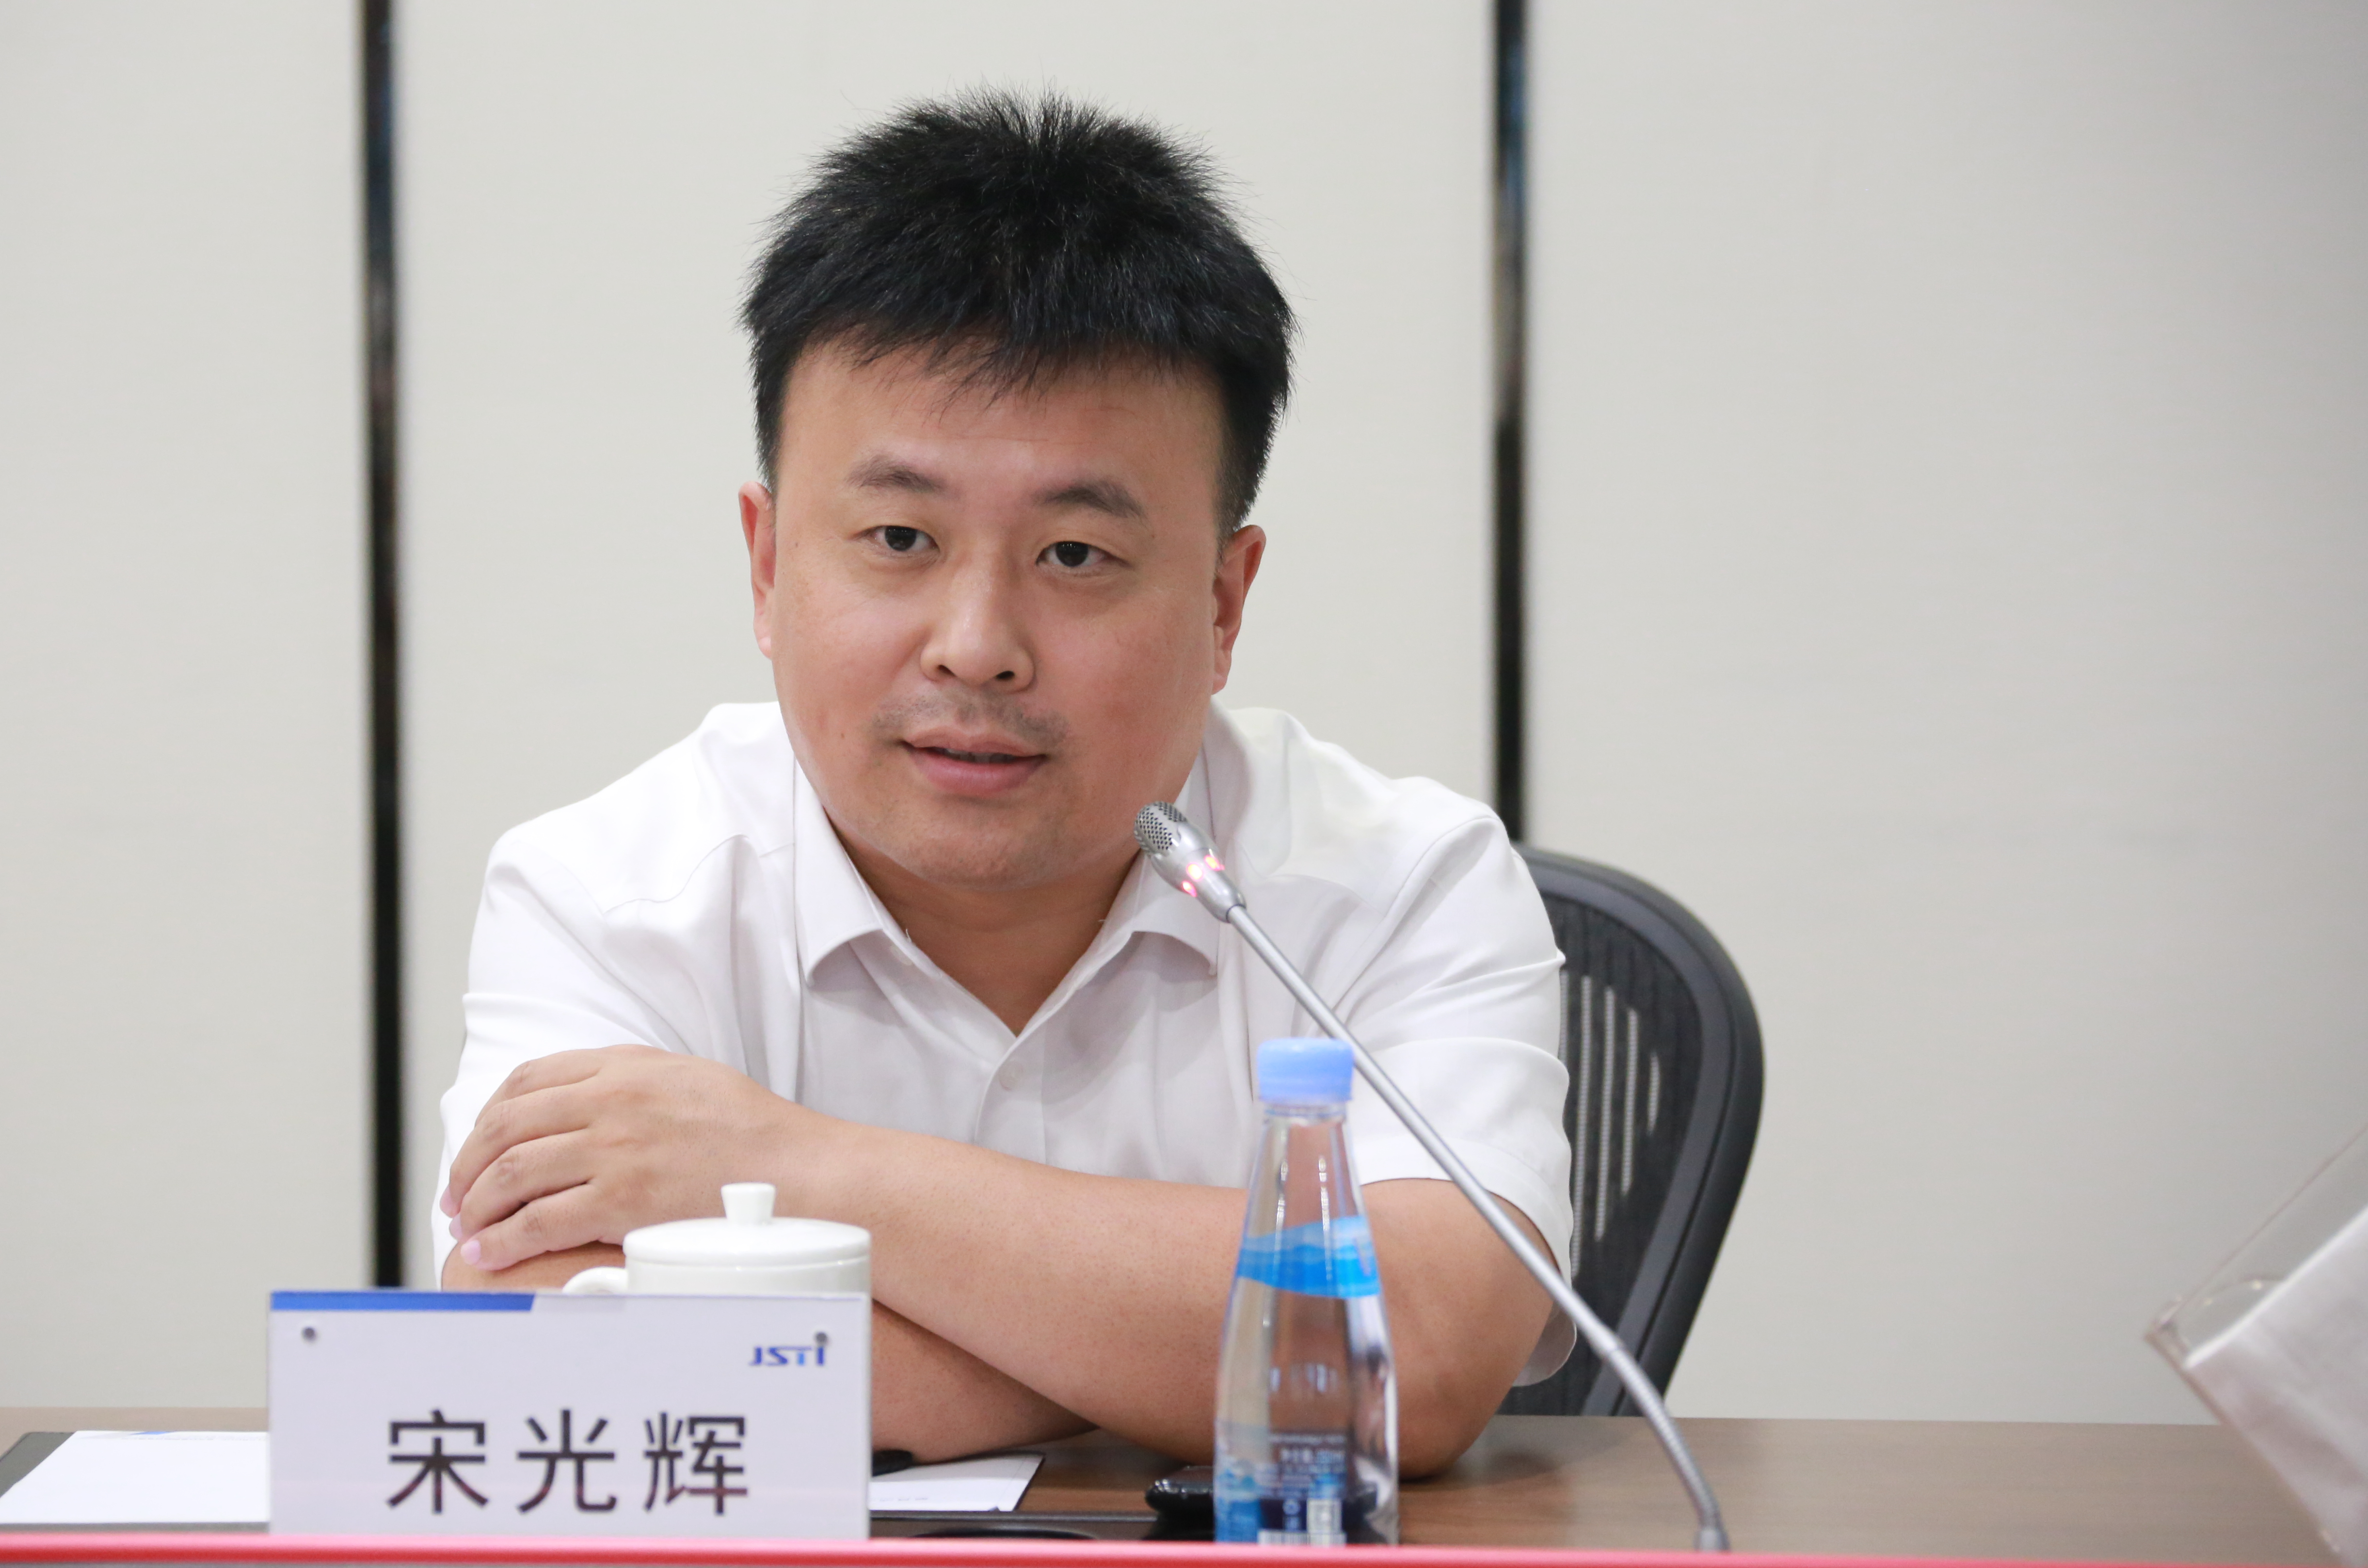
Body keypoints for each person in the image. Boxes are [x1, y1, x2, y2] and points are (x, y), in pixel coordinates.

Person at [434, 91, 1570, 1472]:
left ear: (1223, 601)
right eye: (900, 538)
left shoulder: (1402, 885)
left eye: (1075, 556)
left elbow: (1420, 1352)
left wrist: (788, 1163)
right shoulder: (605, 893)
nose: (977, 647)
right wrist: (1182, 1357)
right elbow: (541, 1336)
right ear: (769, 564)